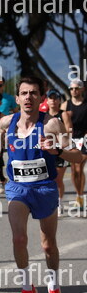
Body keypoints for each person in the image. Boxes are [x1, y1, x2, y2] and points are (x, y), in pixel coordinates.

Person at [0, 76, 82, 293]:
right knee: (19, 238)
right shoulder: (8, 121)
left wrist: (56, 150)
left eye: (33, 93)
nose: (28, 97)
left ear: (41, 98)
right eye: (24, 93)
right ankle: (27, 290)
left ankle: (54, 289)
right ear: (17, 98)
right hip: (17, 188)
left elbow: (77, 156)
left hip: (44, 188)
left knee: (48, 245)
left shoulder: (51, 124)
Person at [61, 78, 87, 209]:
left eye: (76, 88)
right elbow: (59, 120)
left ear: (82, 89)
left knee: (79, 167)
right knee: (73, 171)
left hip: (84, 139)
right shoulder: (65, 105)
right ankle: (79, 195)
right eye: (71, 88)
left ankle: (80, 196)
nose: (74, 91)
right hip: (71, 139)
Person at [46, 90, 73, 214]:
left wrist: (61, 141)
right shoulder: (43, 115)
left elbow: (69, 131)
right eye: (50, 98)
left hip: (60, 151)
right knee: (48, 178)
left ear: (59, 101)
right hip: (47, 150)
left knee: (57, 179)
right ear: (47, 100)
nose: (53, 100)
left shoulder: (63, 115)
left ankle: (59, 202)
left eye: (55, 98)